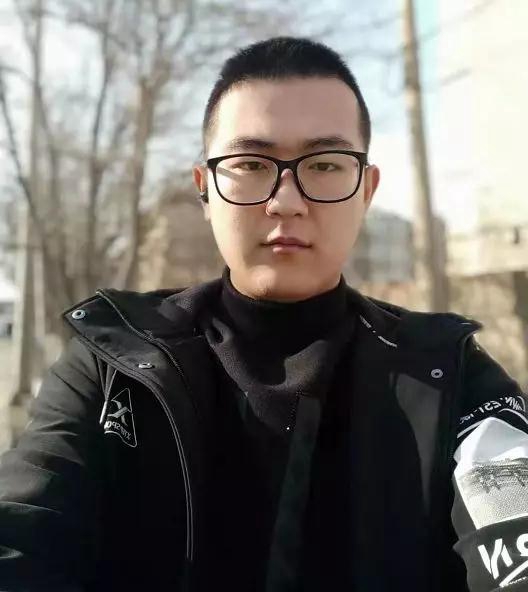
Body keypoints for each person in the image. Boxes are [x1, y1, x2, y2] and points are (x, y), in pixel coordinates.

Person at [0, 36, 527, 592]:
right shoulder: (113, 361)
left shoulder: (449, 372)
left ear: (366, 190)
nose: (286, 201)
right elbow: (24, 525)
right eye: (251, 163)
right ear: (205, 189)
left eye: (325, 164)